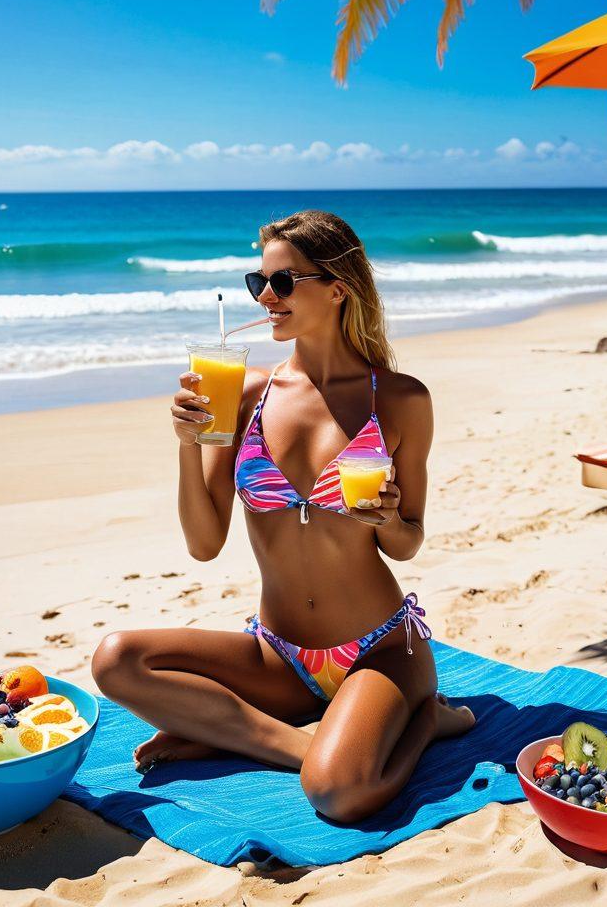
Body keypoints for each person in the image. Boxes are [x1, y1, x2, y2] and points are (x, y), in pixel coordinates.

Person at [91, 209, 475, 823]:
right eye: (258, 283)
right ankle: (297, 741)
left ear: (338, 288)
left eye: (284, 282)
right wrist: (189, 444)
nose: (266, 297)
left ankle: (421, 720)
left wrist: (388, 520)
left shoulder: (400, 399)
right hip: (279, 656)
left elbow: (407, 544)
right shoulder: (245, 395)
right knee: (117, 659)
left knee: (338, 793)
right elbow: (204, 543)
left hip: (378, 649)